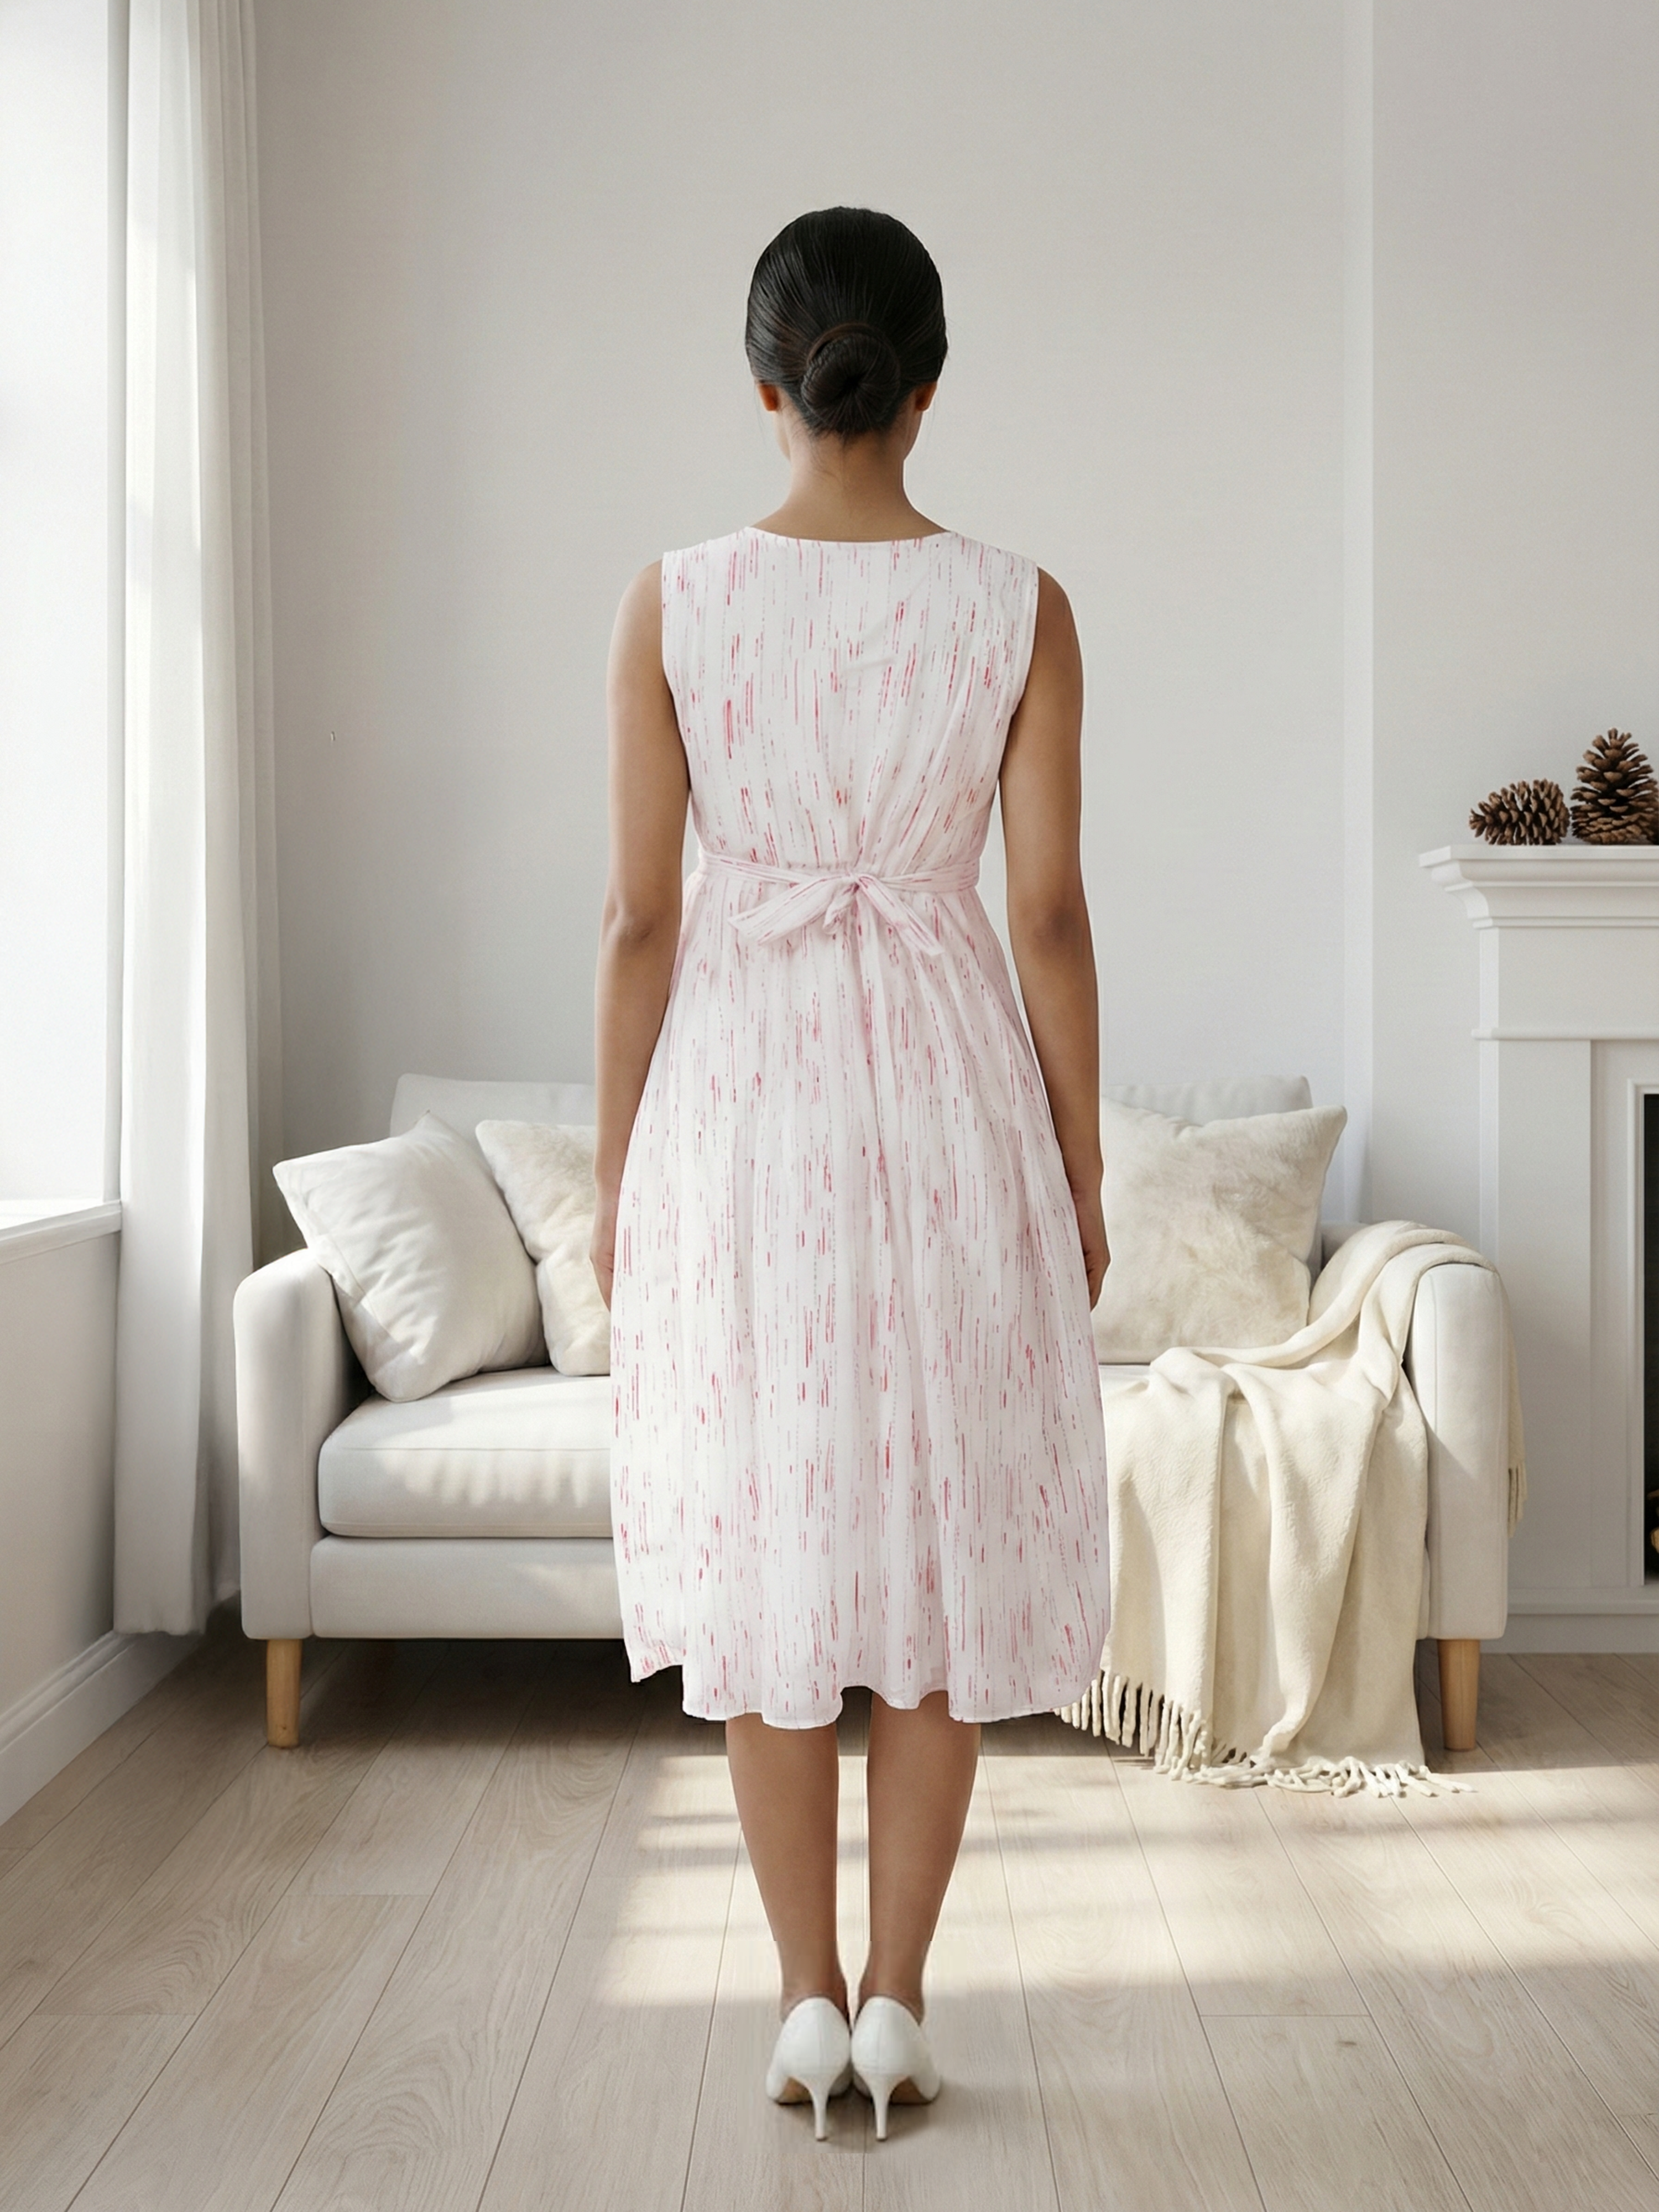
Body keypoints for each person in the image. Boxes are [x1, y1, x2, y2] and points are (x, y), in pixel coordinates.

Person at [590, 205, 1110, 2142]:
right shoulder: (1023, 606)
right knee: (940, 1549)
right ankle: (900, 1998)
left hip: (741, 1104)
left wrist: (625, 1176)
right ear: (929, 381)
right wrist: (1077, 1162)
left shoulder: (673, 601)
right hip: (954, 1094)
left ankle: (803, 2001)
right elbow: (1044, 913)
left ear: (768, 382)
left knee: (778, 1541)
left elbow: (642, 920)